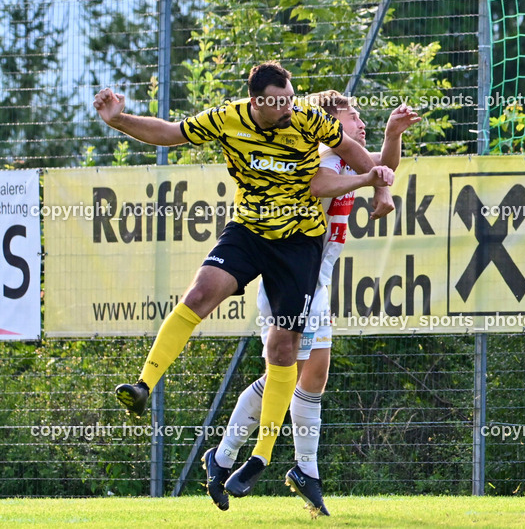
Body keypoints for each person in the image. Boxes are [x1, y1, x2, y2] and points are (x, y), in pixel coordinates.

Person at [94, 62, 395, 497]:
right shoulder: (226, 117)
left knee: (287, 349)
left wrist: (378, 186)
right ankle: (143, 385)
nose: (289, 107)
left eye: (291, 97)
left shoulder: (308, 120)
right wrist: (119, 120)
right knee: (200, 293)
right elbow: (169, 132)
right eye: (279, 102)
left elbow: (349, 149)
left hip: (298, 243)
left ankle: (262, 455)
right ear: (257, 103)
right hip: (250, 230)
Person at [201, 93, 419, 517]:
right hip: (294, 278)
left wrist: (392, 138)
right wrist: (372, 183)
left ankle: (297, 470)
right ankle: (229, 457)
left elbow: (382, 168)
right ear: (328, 121)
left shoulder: (340, 157)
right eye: (350, 115)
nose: (358, 121)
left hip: (315, 280)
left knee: (312, 376)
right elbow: (325, 181)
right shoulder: (321, 151)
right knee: (285, 375)